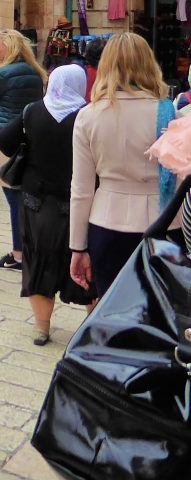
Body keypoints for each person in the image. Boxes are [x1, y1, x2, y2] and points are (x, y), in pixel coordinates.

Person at [69, 32, 177, 298]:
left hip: (107, 222)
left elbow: (81, 189)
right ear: (149, 63)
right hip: (164, 223)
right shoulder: (172, 113)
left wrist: (77, 247)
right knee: (162, 317)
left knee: (114, 312)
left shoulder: (88, 116)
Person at [0, 65, 96, 345]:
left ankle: (42, 327)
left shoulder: (33, 111)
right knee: (86, 263)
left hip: (36, 202)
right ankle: (92, 327)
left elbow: (4, 142)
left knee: (38, 261)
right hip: (79, 204)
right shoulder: (87, 115)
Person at [0, 29, 47, 270]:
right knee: (23, 197)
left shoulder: (1, 74)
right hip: (30, 137)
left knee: (13, 197)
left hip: (6, 138)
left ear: (8, 47)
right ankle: (26, 248)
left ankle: (19, 254)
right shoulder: (35, 72)